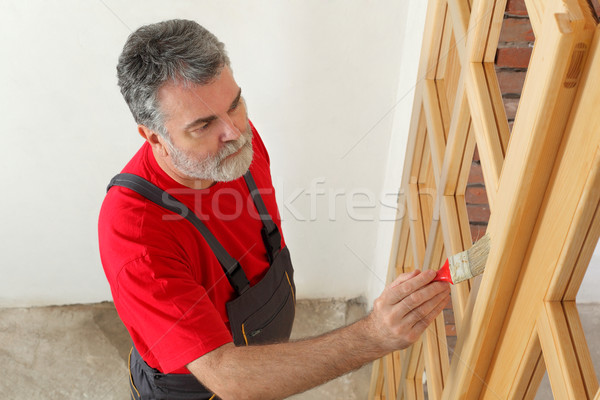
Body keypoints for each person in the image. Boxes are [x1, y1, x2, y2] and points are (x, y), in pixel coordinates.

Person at [98, 19, 450, 400]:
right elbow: (227, 376)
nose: (233, 131)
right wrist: (374, 336)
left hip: (257, 361)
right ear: (154, 137)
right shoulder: (134, 235)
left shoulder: (237, 145)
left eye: (235, 105)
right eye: (203, 126)